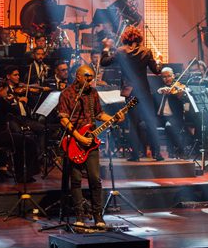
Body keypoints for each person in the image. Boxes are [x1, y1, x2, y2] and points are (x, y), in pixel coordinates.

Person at [58, 65, 124, 228]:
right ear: (78, 76)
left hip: (91, 141)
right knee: (76, 180)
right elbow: (64, 119)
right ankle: (79, 215)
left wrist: (114, 118)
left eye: (92, 77)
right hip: (74, 140)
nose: (90, 80)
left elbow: (99, 114)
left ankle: (98, 216)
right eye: (87, 76)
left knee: (95, 179)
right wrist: (79, 137)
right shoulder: (67, 94)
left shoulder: (93, 93)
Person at [101, 25, 162, 161]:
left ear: (125, 38)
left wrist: (106, 48)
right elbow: (157, 71)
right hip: (144, 93)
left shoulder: (120, 51)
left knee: (133, 124)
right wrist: (159, 60)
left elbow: (104, 62)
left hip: (130, 92)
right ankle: (157, 154)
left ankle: (135, 155)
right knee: (150, 122)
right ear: (139, 38)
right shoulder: (146, 51)